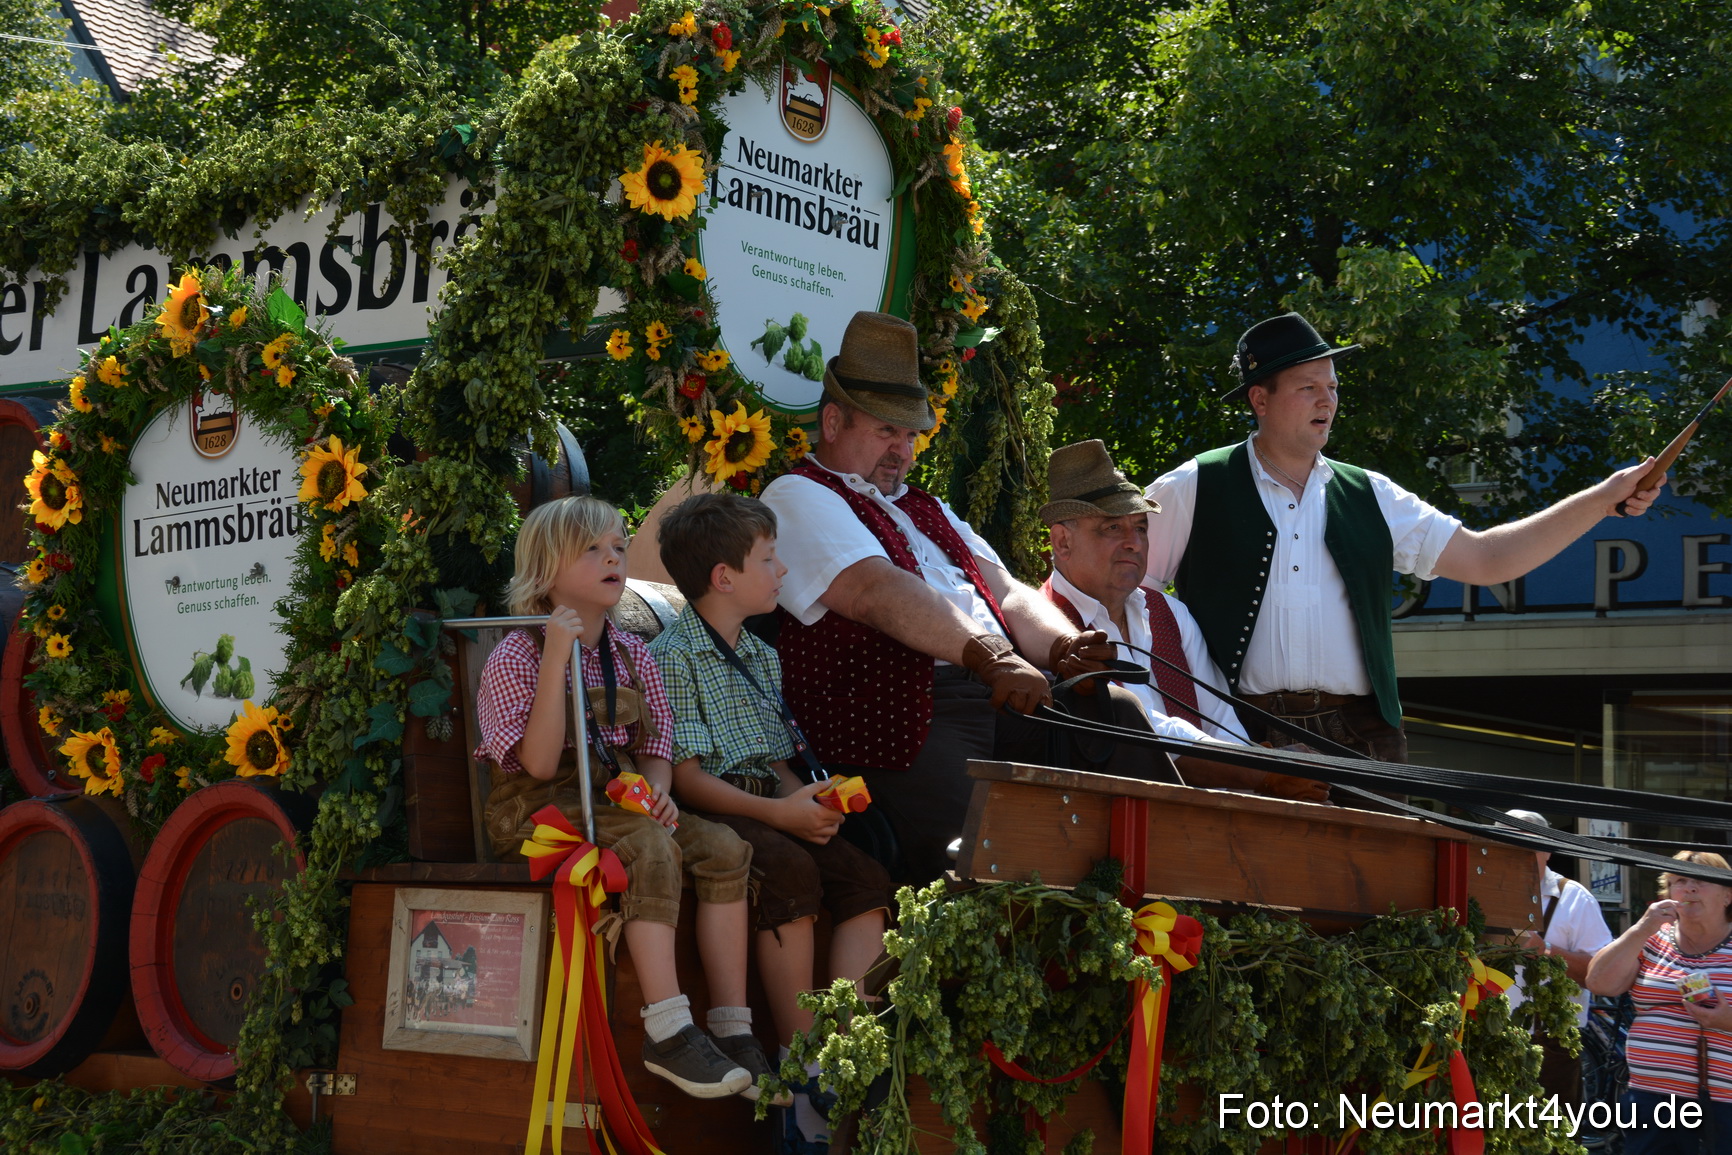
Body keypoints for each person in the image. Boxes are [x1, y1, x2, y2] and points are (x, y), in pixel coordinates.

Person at [1144, 311, 1669, 760]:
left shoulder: (1370, 493)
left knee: (1380, 881)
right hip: (1239, 731)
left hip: (1362, 735)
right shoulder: (1195, 485)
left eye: (1332, 388)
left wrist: (1601, 499)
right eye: (1308, 387)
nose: (1326, 400)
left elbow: (1488, 560)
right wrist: (1155, 700)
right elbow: (1122, 588)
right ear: (1260, 399)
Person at [761, 311, 1112, 883]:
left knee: (1111, 716)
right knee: (982, 859)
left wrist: (1064, 647)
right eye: (885, 431)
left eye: (910, 434)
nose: (901, 449)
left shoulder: (928, 506)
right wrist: (991, 656)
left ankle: (1154, 902)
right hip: (895, 711)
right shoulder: (797, 492)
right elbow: (875, 591)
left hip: (995, 691)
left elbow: (1005, 590)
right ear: (832, 421)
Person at [473, 496, 767, 1102]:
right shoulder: (516, 655)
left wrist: (657, 789)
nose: (614, 557)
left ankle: (732, 1026)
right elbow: (534, 760)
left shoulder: (633, 654)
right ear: (546, 568)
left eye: (618, 546)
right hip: (538, 810)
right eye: (592, 549)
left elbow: (657, 741)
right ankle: (666, 1029)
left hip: (616, 796)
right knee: (649, 848)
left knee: (725, 848)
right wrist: (558, 655)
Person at [651, 492, 893, 1151]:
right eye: (769, 558)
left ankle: (849, 1049)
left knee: (865, 876)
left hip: (768, 798)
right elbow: (691, 775)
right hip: (717, 806)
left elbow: (778, 762)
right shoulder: (674, 655)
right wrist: (778, 813)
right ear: (724, 576)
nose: (782, 570)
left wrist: (808, 800)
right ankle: (803, 1062)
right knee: (786, 870)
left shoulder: (761, 655)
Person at [1038, 439, 1328, 802]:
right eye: (1113, 528)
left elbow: (1223, 725)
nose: (1134, 543)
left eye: (1141, 527)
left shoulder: (1170, 613)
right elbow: (1145, 734)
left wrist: (1262, 773)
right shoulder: (1044, 625)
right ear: (1062, 542)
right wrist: (1262, 771)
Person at [1586, 851, 1732, 1153]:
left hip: (1723, 1104)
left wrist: (1726, 1020)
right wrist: (1640, 929)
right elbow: (1600, 983)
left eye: (1701, 881)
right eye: (1679, 880)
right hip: (1650, 1099)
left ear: (1728, 896)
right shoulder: (1652, 939)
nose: (1689, 888)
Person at [1500, 809, 1614, 1104]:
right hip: (1489, 1041)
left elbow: (1600, 974)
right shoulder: (1478, 893)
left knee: (1554, 1143)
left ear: (1547, 849)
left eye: (1529, 843)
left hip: (1552, 1046)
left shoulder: (1575, 898)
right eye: (1508, 843)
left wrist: (1544, 951)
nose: (1519, 852)